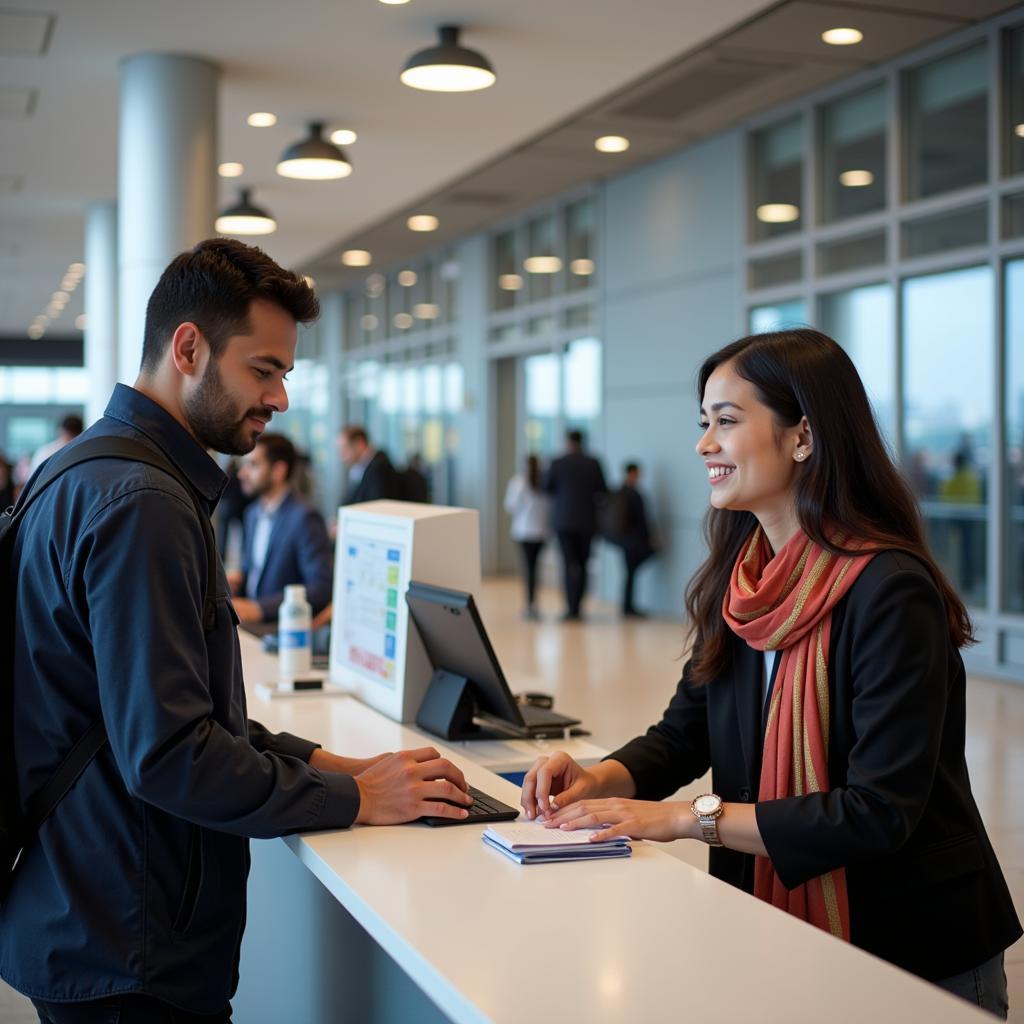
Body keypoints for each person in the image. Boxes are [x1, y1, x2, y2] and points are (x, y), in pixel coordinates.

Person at [1, 238, 474, 1023]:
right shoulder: (141, 503)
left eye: (286, 373)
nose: (281, 397)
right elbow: (170, 755)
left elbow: (166, 713)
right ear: (189, 347)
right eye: (265, 369)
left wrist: (340, 762)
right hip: (130, 940)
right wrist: (353, 797)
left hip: (85, 903)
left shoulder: (83, 467)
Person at [521, 329, 1021, 1018]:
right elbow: (682, 734)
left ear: (803, 438)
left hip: (913, 946)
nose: (704, 446)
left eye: (726, 422)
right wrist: (596, 778)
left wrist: (683, 820)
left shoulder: (889, 591)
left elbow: (877, 814)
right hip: (774, 921)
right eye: (704, 424)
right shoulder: (745, 582)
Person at [231, 432, 333, 624]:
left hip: (281, 628)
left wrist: (259, 608)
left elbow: (321, 589)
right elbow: (252, 568)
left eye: (253, 465)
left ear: (278, 471)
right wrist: (239, 579)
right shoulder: (252, 513)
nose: (242, 474)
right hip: (250, 626)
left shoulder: (304, 518)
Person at [544, 429, 607, 621]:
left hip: (564, 522)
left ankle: (570, 608)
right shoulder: (593, 463)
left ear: (567, 442)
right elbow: (602, 490)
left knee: (568, 564)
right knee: (583, 564)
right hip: (587, 522)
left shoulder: (557, 462)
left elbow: (546, 488)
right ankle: (579, 607)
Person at [604, 461, 656, 617]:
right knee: (631, 572)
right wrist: (650, 538)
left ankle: (627, 606)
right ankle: (628, 607)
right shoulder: (634, 494)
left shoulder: (617, 491)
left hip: (622, 539)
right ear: (632, 473)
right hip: (634, 540)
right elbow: (642, 520)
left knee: (629, 573)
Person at [504, 454, 551, 619]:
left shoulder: (518, 483)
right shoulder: (544, 482)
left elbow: (510, 506)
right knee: (535, 569)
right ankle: (534, 604)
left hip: (524, 531)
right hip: (541, 532)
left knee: (528, 569)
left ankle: (530, 605)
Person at [338, 425, 404, 504]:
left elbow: (376, 507)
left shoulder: (378, 469)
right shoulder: (362, 468)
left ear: (359, 444)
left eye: (344, 448)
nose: (341, 455)